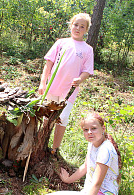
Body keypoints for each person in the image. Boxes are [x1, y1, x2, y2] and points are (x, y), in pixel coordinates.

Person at [37, 113, 121, 195]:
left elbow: (96, 184)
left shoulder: (106, 150)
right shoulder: (92, 144)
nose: (90, 132)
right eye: (86, 130)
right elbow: (86, 166)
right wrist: (68, 180)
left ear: (103, 129)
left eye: (94, 128)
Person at [38, 13, 94, 154]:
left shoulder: (88, 49)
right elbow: (48, 64)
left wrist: (80, 79)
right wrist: (42, 83)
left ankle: (54, 149)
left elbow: (87, 70)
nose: (78, 28)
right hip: (51, 87)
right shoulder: (61, 43)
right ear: (71, 25)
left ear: (86, 30)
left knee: (62, 118)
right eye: (76, 25)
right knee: (45, 116)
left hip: (68, 91)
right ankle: (38, 145)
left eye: (82, 26)